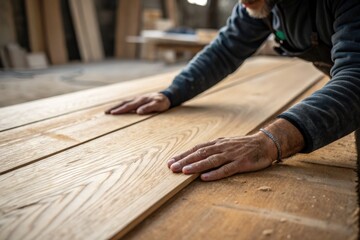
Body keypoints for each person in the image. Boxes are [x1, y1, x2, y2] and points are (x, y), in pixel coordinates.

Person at [106, 0, 360, 181]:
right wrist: (172, 93)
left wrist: (271, 140)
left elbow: (356, 78)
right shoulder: (260, 5)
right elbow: (225, 49)